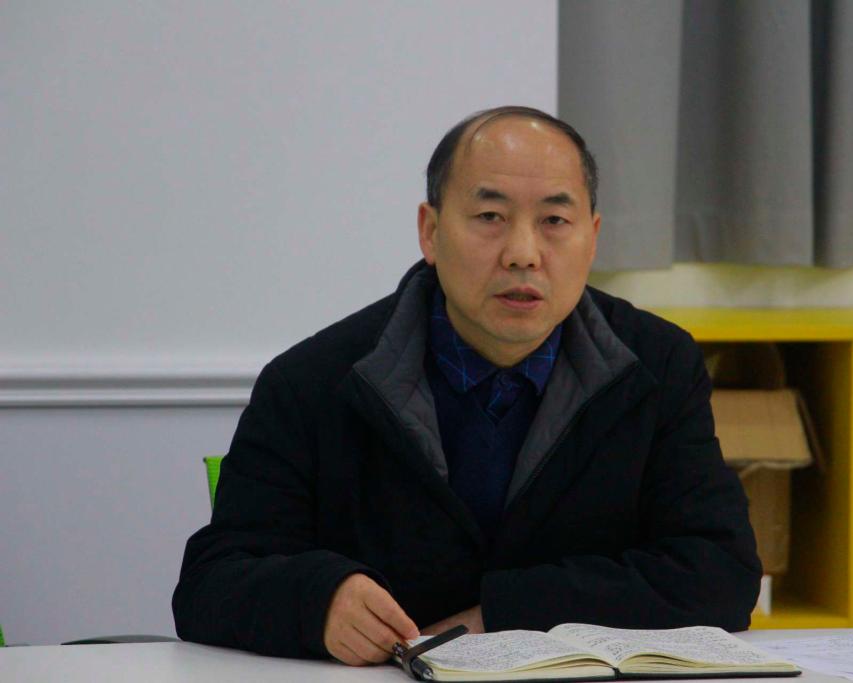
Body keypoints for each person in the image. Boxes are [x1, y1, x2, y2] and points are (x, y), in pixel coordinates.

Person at [172, 106, 761, 664]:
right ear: (430, 232)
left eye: (555, 221)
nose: (523, 254)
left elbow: (721, 572)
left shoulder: (657, 366)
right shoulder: (315, 380)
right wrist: (318, 600)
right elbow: (211, 581)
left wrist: (508, 613)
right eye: (489, 217)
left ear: (593, 237)